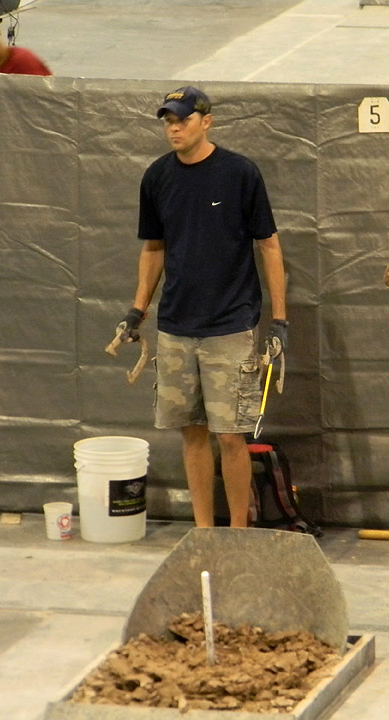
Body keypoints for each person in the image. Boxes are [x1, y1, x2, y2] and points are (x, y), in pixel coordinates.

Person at [118, 86, 288, 529]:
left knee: (230, 435)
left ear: (206, 121)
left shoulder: (239, 174)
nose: (174, 128)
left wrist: (281, 320)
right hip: (177, 327)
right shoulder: (157, 178)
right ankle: (203, 530)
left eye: (183, 120)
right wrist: (138, 310)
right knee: (191, 433)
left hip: (230, 327)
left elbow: (269, 246)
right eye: (168, 121)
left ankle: (236, 531)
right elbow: (153, 249)